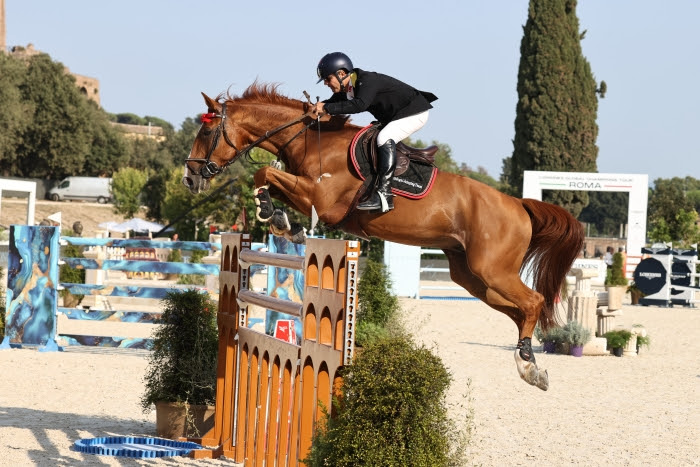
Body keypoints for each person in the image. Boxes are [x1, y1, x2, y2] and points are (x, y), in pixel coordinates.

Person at [311, 52, 437, 213]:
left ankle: (384, 194)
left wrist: (327, 107)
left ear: (341, 74)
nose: (326, 84)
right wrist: (320, 106)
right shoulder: (349, 87)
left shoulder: (366, 80)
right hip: (398, 114)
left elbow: (359, 105)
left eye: (328, 79)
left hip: (415, 113)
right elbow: (334, 102)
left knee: (384, 137)